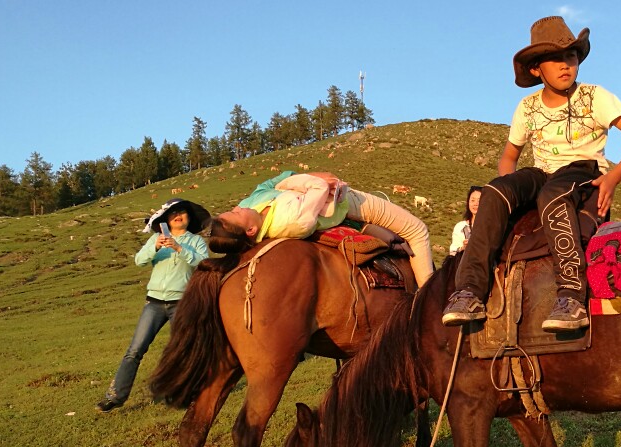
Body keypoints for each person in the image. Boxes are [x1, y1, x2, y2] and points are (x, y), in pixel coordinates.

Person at [441, 15, 621, 331]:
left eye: (570, 56)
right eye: (555, 58)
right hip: (542, 171)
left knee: (552, 195)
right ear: (536, 69)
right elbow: (509, 155)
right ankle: (470, 291)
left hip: (582, 170)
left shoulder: (595, 96)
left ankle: (571, 296)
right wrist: (509, 191)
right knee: (494, 191)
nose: (565, 64)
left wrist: (612, 177)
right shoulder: (527, 107)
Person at [213, 170, 435, 286]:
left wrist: (288, 182)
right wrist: (309, 179)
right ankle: (429, 301)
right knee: (417, 230)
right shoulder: (290, 221)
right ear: (251, 231)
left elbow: (272, 183)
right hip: (349, 204)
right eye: (234, 213)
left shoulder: (250, 205)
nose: (237, 207)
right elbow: (319, 188)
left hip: (324, 193)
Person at [97, 199, 210, 412]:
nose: (178, 215)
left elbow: (203, 263)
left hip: (182, 304)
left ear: (189, 218)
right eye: (173, 213)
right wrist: (155, 248)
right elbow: (139, 261)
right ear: (165, 219)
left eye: (183, 212)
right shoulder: (155, 239)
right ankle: (115, 396)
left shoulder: (196, 241)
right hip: (154, 304)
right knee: (135, 350)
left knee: (184, 350)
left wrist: (179, 248)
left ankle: (185, 393)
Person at [449, 186, 482, 255]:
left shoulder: (491, 227)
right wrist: (463, 248)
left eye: (479, 200)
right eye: (473, 200)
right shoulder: (460, 227)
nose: (476, 204)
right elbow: (452, 252)